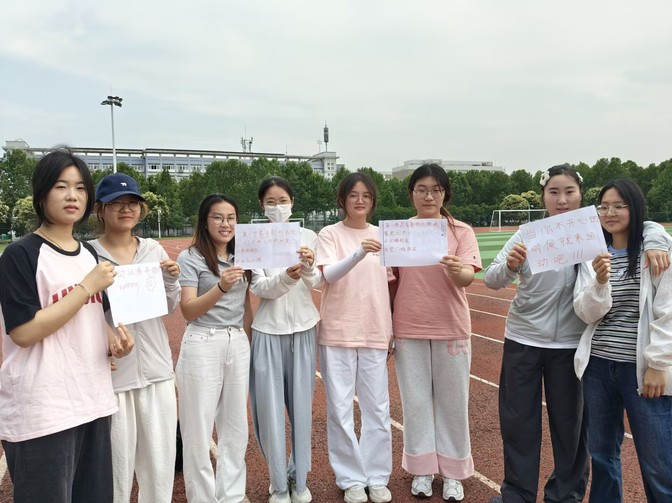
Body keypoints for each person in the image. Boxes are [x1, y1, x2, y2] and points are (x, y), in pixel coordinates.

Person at [483, 164, 670, 503]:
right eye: (553, 192)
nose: (562, 200)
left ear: (581, 195)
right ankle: (517, 494)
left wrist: (657, 237)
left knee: (571, 427)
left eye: (569, 192)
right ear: (543, 196)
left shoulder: (594, 233)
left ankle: (565, 495)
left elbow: (638, 222)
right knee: (519, 422)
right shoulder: (528, 234)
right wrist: (510, 265)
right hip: (524, 339)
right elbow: (491, 279)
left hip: (572, 345)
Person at [0, 148, 134, 503]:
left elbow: (93, 318)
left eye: (80, 187)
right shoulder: (21, 254)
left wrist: (115, 342)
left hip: (92, 402)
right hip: (43, 410)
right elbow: (24, 332)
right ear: (42, 194)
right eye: (61, 186)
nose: (72, 195)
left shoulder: (88, 254)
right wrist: (85, 287)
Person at [573, 179, 672, 502]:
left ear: (635, 207)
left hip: (640, 368)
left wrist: (657, 363)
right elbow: (586, 312)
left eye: (619, 205)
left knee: (658, 460)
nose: (610, 213)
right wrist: (600, 282)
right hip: (598, 367)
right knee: (602, 454)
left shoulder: (656, 252)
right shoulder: (593, 256)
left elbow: (668, 310)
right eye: (603, 207)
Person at [390, 164, 482, 502]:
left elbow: (467, 278)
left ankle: (454, 473)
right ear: (411, 193)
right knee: (415, 403)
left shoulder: (461, 232)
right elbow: (391, 282)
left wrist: (458, 271)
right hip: (409, 327)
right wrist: (388, 325)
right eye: (421, 189)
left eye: (436, 190)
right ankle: (422, 469)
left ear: (445, 194)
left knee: (453, 403)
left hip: (450, 327)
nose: (428, 196)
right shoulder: (399, 232)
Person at [89, 172, 182, 503]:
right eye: (116, 203)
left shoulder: (152, 249)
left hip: (157, 371)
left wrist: (170, 280)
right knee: (116, 469)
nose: (126, 209)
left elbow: (168, 307)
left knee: (159, 465)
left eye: (133, 203)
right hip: (113, 379)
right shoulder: (88, 255)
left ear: (141, 209)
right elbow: (85, 314)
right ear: (100, 209)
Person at [316, 172, 394, 503]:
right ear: (342, 200)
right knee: (340, 408)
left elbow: (390, 285)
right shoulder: (329, 234)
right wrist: (359, 253)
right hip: (338, 331)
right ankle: (350, 477)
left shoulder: (384, 235)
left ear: (373, 201)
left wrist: (392, 328)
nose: (360, 201)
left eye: (366, 195)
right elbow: (328, 275)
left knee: (377, 407)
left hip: (375, 329)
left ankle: (376, 475)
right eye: (353, 195)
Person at [249, 177, 322, 503]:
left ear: (292, 202)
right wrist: (286, 277)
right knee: (270, 413)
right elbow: (259, 288)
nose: (277, 207)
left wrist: (307, 268)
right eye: (271, 201)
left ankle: (299, 479)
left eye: (283, 200)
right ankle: (278, 483)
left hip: (304, 329)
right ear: (262, 205)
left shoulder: (308, 236)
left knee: (302, 410)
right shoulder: (253, 239)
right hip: (268, 331)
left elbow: (317, 282)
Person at [176, 193, 253, 503]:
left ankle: (232, 495)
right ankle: (203, 498)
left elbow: (246, 306)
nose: (225, 223)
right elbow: (188, 309)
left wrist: (250, 341)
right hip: (202, 341)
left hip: (237, 342)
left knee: (236, 427)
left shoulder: (242, 255)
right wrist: (221, 286)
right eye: (218, 217)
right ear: (205, 221)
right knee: (198, 429)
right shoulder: (191, 257)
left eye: (231, 218)